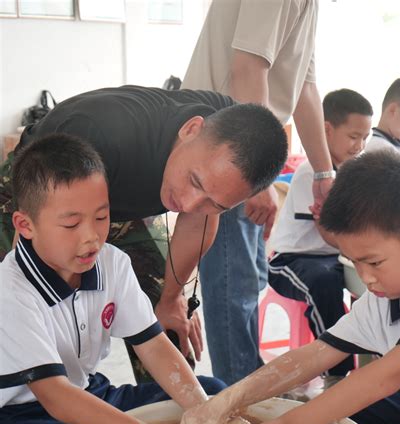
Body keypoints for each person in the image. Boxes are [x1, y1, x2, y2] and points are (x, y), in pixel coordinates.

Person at [179, 151, 400, 424]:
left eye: (373, 261)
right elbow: (318, 354)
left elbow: (388, 375)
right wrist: (229, 400)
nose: (365, 277)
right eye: (354, 261)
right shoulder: (386, 294)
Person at [0, 85, 288, 382]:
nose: (189, 204)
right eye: (194, 181)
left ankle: (175, 417)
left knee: (171, 332)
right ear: (191, 129)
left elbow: (199, 219)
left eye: (215, 203)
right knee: (41, 336)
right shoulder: (101, 132)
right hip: (44, 195)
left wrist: (171, 300)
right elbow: (50, 226)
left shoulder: (239, 129)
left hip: (122, 202)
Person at [0, 133, 250, 424]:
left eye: (101, 217)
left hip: (91, 394)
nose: (91, 236)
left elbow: (153, 346)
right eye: (71, 223)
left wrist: (205, 413)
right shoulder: (11, 291)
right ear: (25, 225)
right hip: (26, 418)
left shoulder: (111, 263)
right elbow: (55, 395)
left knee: (210, 393)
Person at [182, 0, 334, 385]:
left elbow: (305, 89)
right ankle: (235, 405)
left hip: (239, 144)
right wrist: (258, 175)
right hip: (223, 147)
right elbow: (247, 68)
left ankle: (243, 389)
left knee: (247, 281)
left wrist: (324, 171)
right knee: (233, 287)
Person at [268, 88, 373, 388]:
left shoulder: (353, 173)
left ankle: (373, 361)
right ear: (327, 129)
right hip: (291, 260)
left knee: (374, 281)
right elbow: (329, 234)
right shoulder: (311, 174)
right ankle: (337, 374)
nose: (360, 145)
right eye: (354, 136)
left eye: (365, 137)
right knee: (325, 284)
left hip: (333, 256)